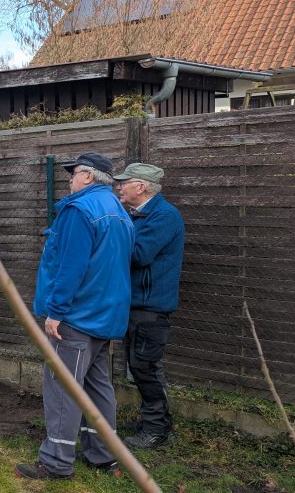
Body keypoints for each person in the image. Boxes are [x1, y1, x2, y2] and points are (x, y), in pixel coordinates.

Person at [16, 152, 135, 481]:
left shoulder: (79, 210)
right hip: (106, 316)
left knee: (62, 387)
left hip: (77, 317)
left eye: (74, 173)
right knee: (98, 387)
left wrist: (56, 312)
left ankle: (56, 461)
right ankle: (103, 454)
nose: (69, 179)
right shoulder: (120, 212)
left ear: (88, 176)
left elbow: (70, 266)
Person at [114, 162, 185, 450]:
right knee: (139, 366)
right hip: (136, 305)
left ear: (141, 187)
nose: (119, 187)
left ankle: (156, 430)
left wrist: (110, 237)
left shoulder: (164, 216)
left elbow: (140, 254)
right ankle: (155, 423)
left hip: (150, 309)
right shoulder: (140, 215)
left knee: (146, 368)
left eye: (124, 182)